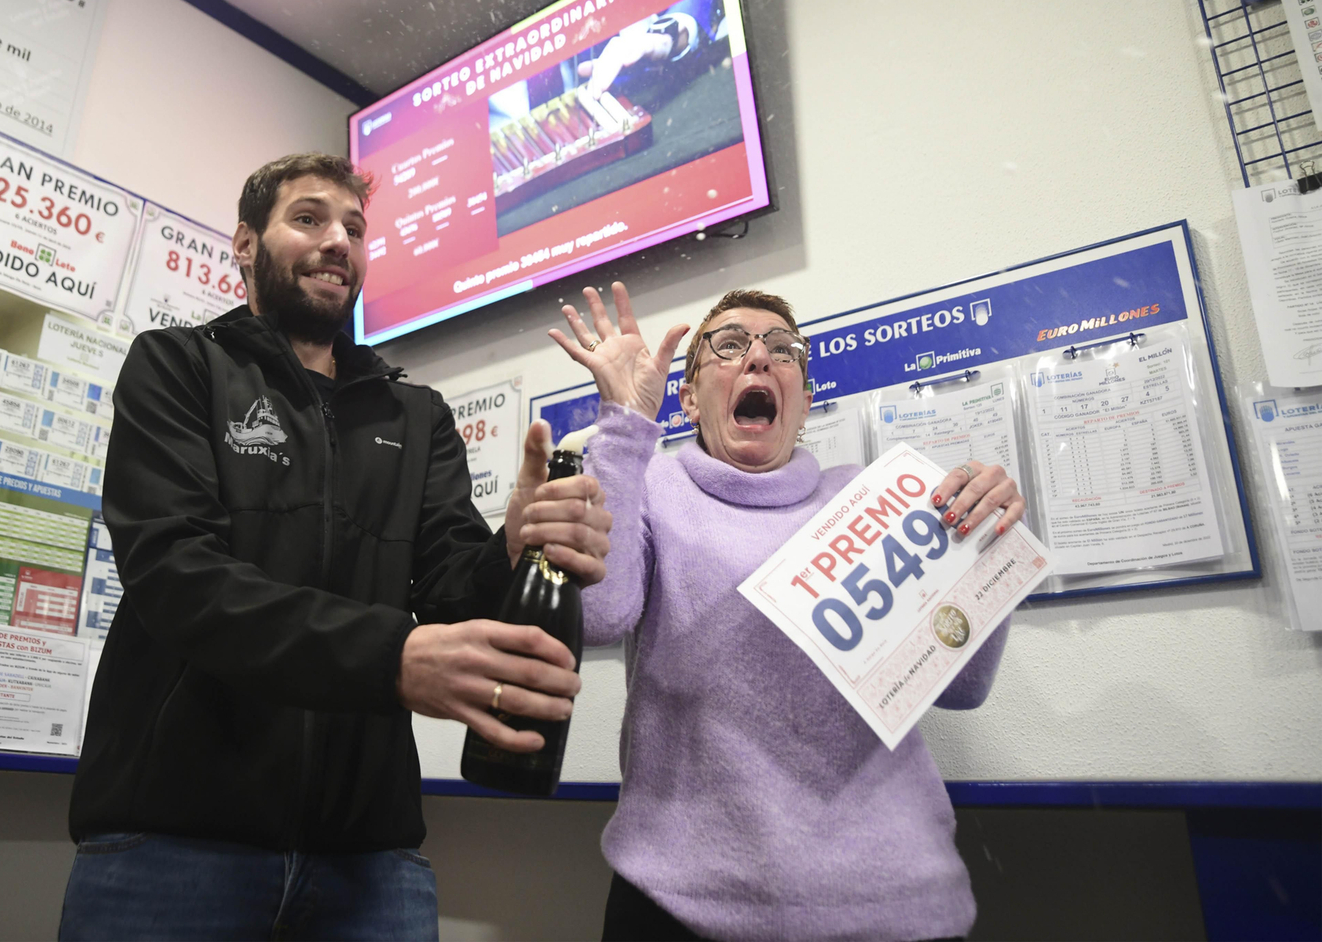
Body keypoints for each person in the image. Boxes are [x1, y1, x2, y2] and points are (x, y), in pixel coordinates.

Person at [60, 153, 612, 941]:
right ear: (246, 244)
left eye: (354, 228)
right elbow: (180, 580)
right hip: (173, 844)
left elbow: (459, 594)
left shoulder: (416, 415)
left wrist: (515, 549)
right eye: (309, 219)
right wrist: (394, 656)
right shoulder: (176, 366)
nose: (339, 242)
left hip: (370, 860)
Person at [548, 282, 1027, 942]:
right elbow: (599, 615)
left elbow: (964, 686)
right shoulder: (651, 485)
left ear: (802, 402)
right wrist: (626, 424)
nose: (760, 358)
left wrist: (981, 540)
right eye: (730, 345)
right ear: (689, 398)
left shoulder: (871, 498)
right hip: (680, 904)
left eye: (783, 350)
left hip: (892, 906)